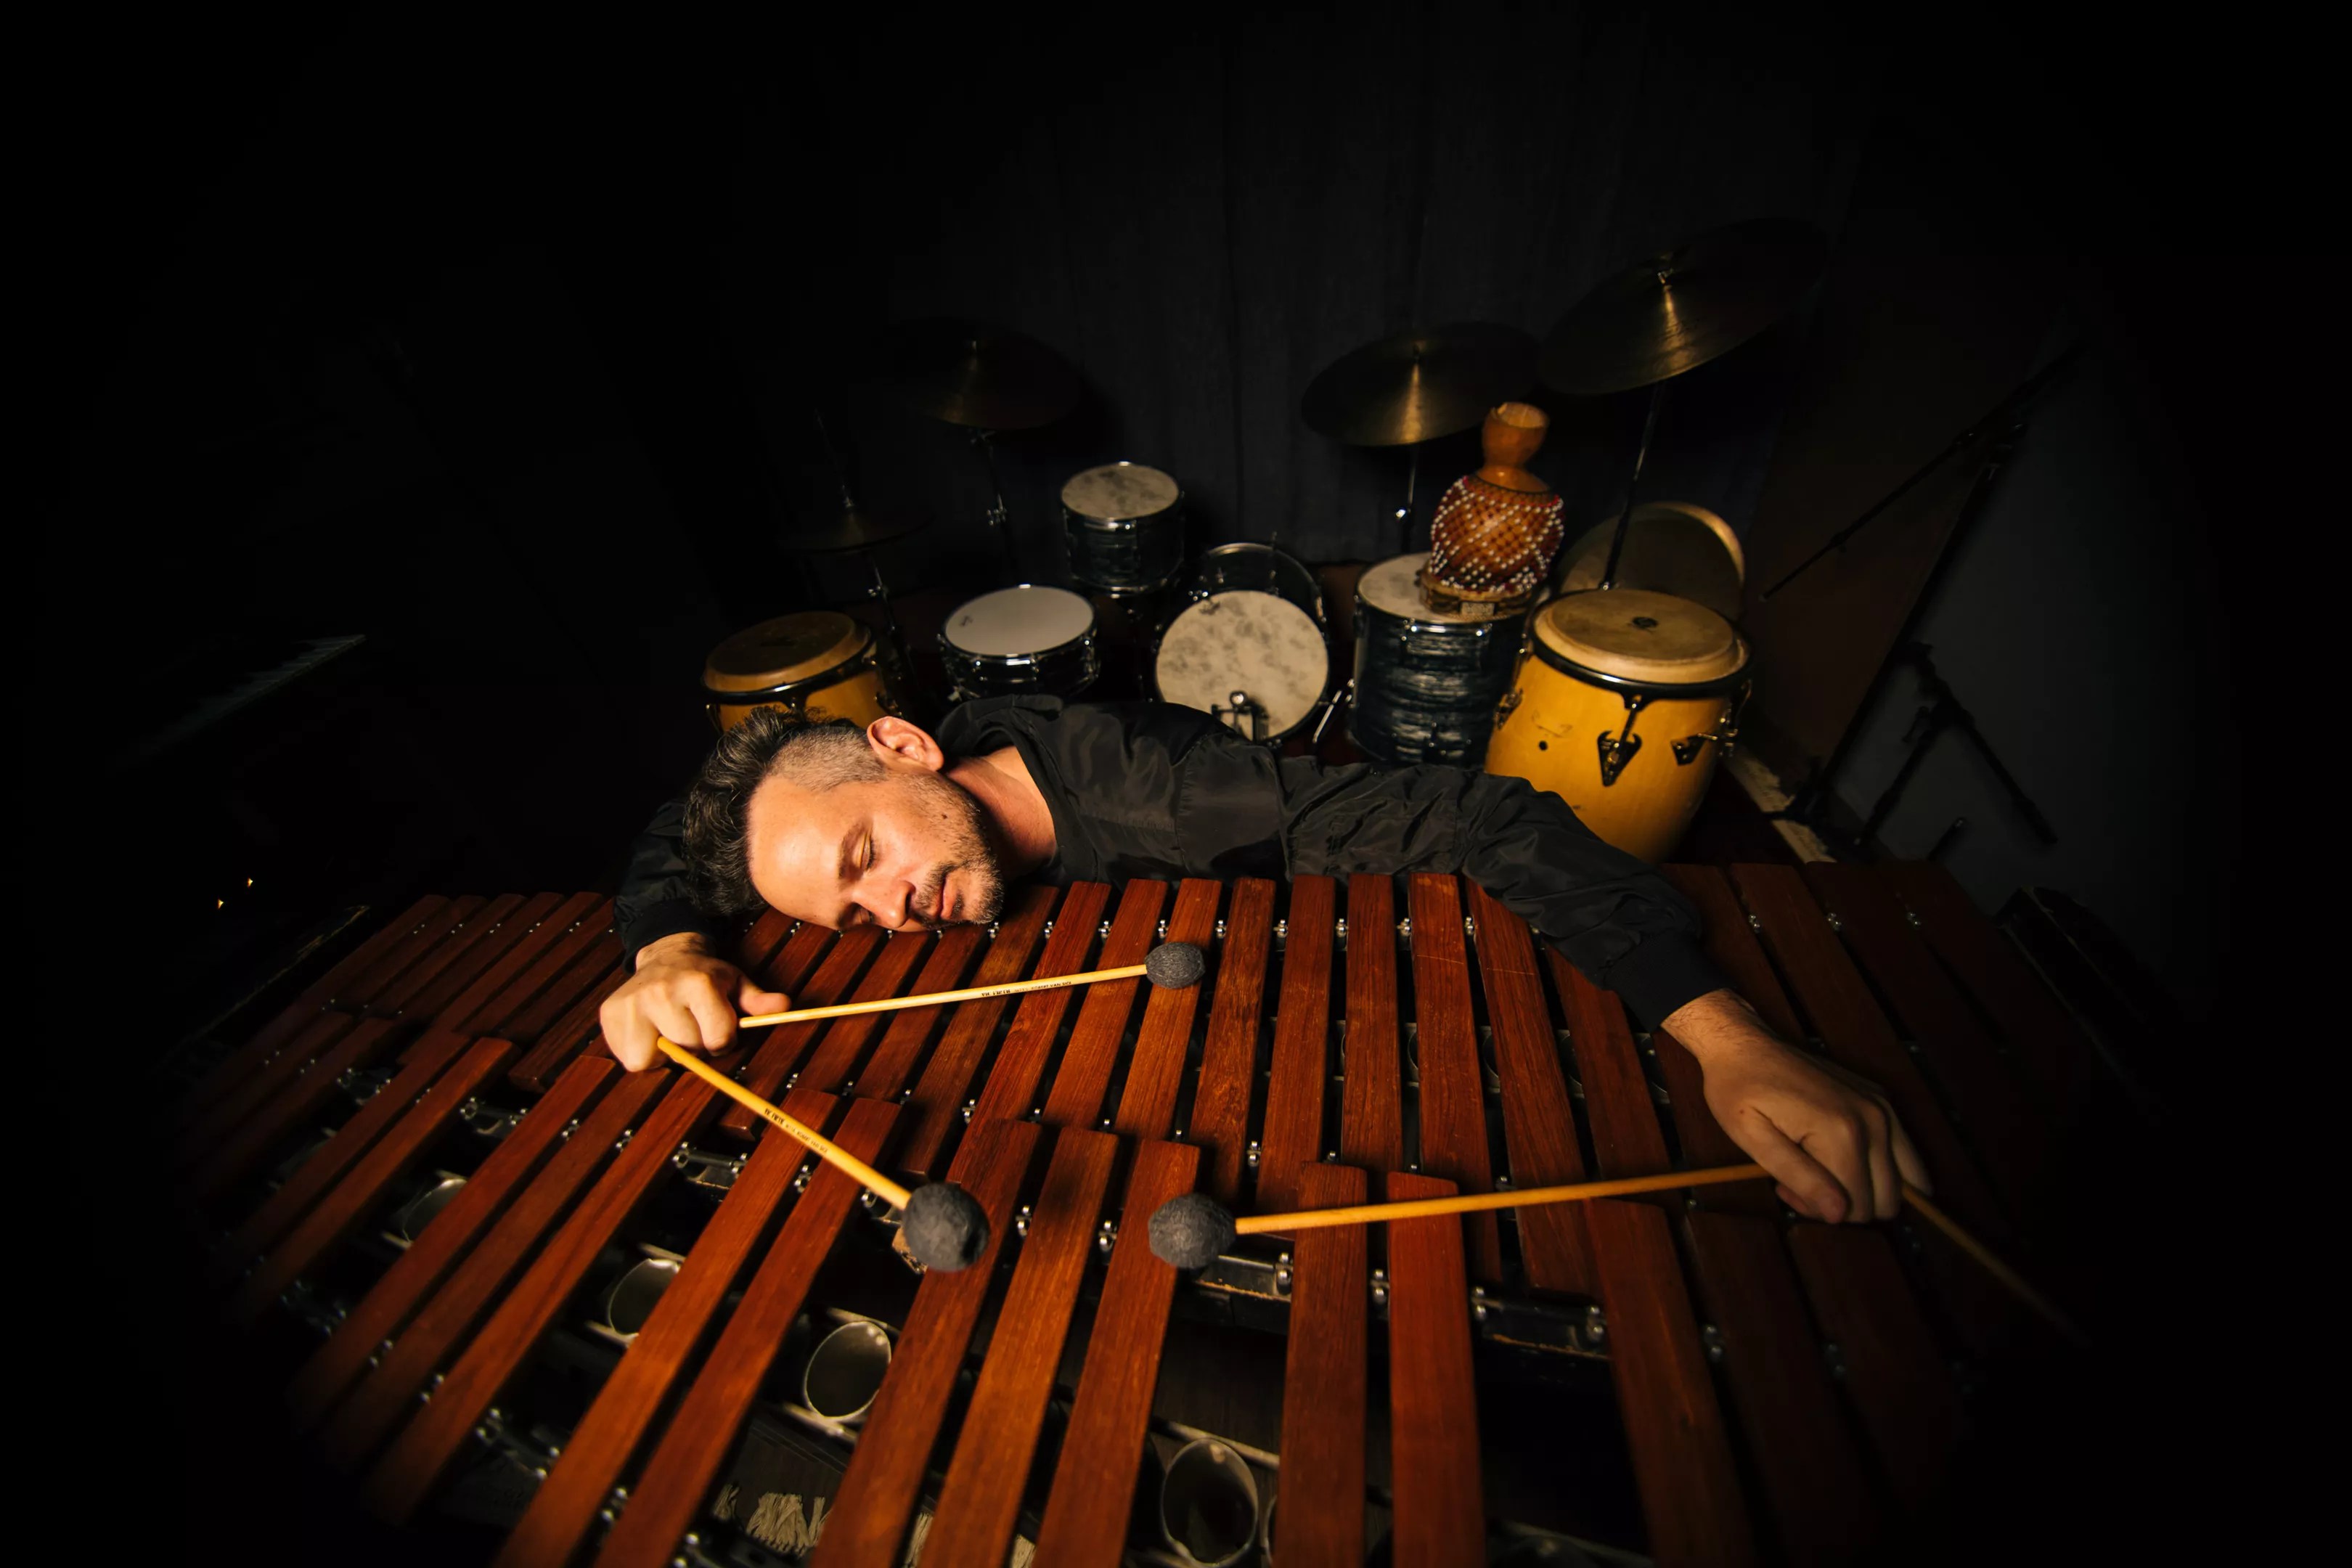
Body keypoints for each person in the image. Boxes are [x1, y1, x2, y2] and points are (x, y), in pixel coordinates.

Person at [604, 697, 1929, 1225]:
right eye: (852, 922)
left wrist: (1727, 1038)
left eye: (864, 867)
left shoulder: (1183, 809)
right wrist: (668, 946)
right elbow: (686, 817)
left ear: (902, 748)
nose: (897, 917)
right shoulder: (895, 776)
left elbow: (1491, 818)